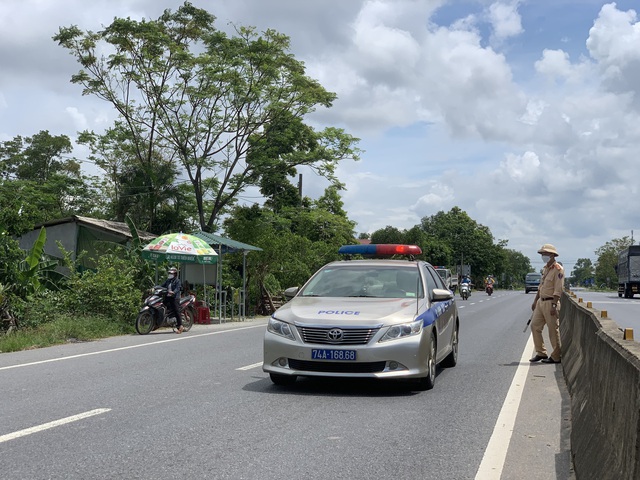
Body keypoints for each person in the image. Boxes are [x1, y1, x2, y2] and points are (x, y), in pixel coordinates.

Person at [529, 244, 564, 363]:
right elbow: (541, 287)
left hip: (551, 302)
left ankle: (556, 356)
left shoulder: (558, 269)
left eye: (545, 254)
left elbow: (558, 289)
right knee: (534, 326)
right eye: (542, 254)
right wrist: (535, 301)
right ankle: (541, 352)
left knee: (552, 330)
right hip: (541, 301)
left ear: (552, 255)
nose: (543, 256)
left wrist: (554, 305)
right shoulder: (545, 269)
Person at [162, 266, 183, 334]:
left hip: (174, 298)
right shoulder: (168, 281)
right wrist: (155, 288)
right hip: (167, 297)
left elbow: (178, 288)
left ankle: (180, 326)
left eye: (172, 273)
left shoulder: (177, 281)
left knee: (177, 311)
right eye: (169, 273)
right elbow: (162, 286)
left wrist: (173, 292)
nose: (170, 275)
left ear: (175, 274)